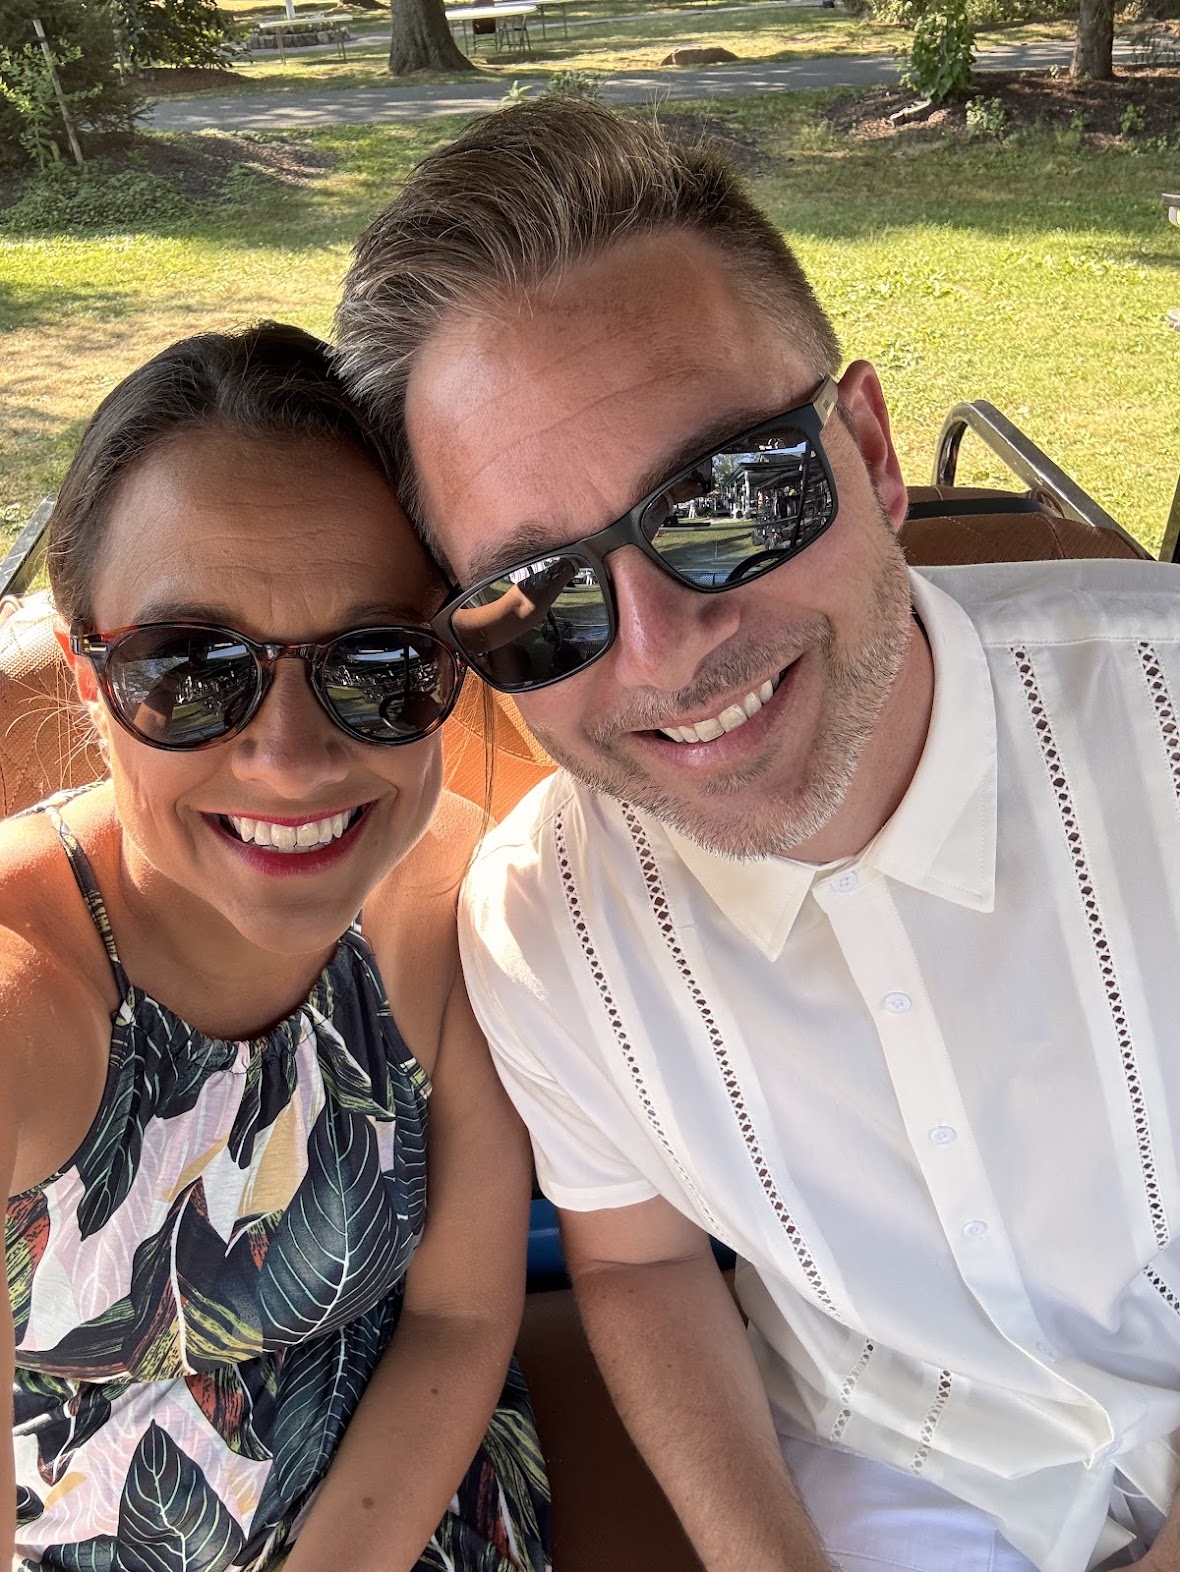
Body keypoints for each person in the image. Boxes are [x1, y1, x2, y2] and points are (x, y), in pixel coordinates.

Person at [333, 99, 1180, 1572]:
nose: (665, 650)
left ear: (871, 450)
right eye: (538, 602)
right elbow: (641, 1258)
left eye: (728, 500)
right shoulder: (541, 929)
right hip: (899, 1466)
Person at [1, 323, 551, 1572]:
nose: (293, 761)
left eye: (379, 661)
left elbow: (460, 1319)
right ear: (87, 676)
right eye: (192, 669)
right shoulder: (19, 1003)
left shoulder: (451, 903)